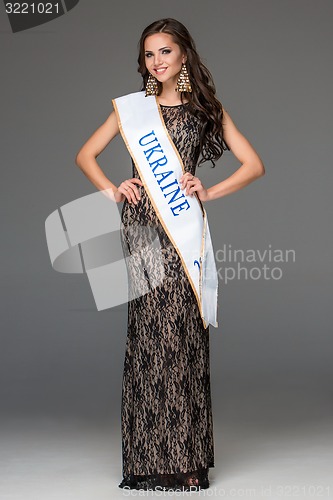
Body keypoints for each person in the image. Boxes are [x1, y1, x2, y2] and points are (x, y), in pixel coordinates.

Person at [75, 18, 265, 492]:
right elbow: (85, 155)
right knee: (147, 340)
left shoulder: (205, 111)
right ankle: (147, 462)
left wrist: (210, 191)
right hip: (142, 230)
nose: (156, 62)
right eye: (148, 54)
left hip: (182, 230)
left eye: (165, 52)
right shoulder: (132, 110)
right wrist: (114, 189)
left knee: (183, 338)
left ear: (184, 55)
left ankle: (187, 459)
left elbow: (254, 165)